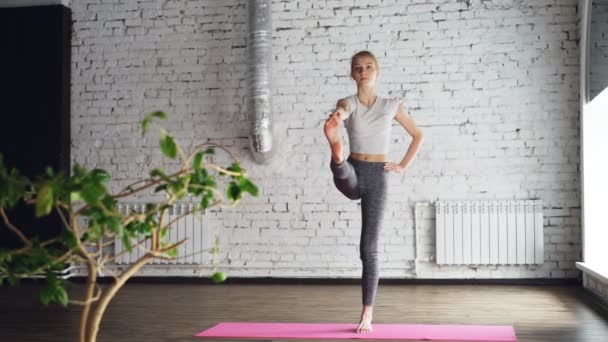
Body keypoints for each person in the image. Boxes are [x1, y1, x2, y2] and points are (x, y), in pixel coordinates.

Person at [323, 50, 424, 333]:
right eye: (358, 68)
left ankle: (367, 313)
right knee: (341, 170)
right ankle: (338, 154)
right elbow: (343, 107)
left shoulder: (391, 105)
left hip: (378, 176)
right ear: (352, 74)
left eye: (369, 67)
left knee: (368, 248)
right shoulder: (350, 103)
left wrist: (403, 165)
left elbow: (418, 134)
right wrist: (338, 116)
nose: (363, 71)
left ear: (377, 71)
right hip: (354, 170)